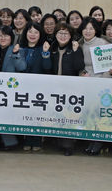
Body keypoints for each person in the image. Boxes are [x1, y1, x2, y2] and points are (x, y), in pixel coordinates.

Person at [50, 22, 84, 155]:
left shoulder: (75, 48)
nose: (63, 36)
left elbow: (78, 67)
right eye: (60, 33)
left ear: (71, 36)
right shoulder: (52, 48)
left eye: (66, 33)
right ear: (55, 34)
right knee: (57, 116)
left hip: (70, 89)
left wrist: (75, 52)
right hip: (54, 88)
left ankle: (68, 146)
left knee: (68, 117)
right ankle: (58, 142)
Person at [17, 21, 52, 152]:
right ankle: (27, 140)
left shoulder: (43, 48)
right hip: (23, 88)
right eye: (30, 31)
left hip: (39, 88)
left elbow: (47, 67)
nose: (32, 34)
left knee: (36, 115)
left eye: (36, 32)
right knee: (25, 114)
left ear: (40, 34)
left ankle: (36, 140)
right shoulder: (20, 48)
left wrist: (45, 53)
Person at [78, 17, 109, 155]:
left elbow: (109, 66)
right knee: (89, 113)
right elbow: (79, 65)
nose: (88, 31)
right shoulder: (80, 44)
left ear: (96, 30)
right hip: (86, 83)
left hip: (101, 83)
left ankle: (98, 141)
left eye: (91, 28)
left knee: (99, 113)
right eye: (85, 28)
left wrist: (103, 82)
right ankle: (91, 139)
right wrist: (81, 73)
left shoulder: (102, 43)